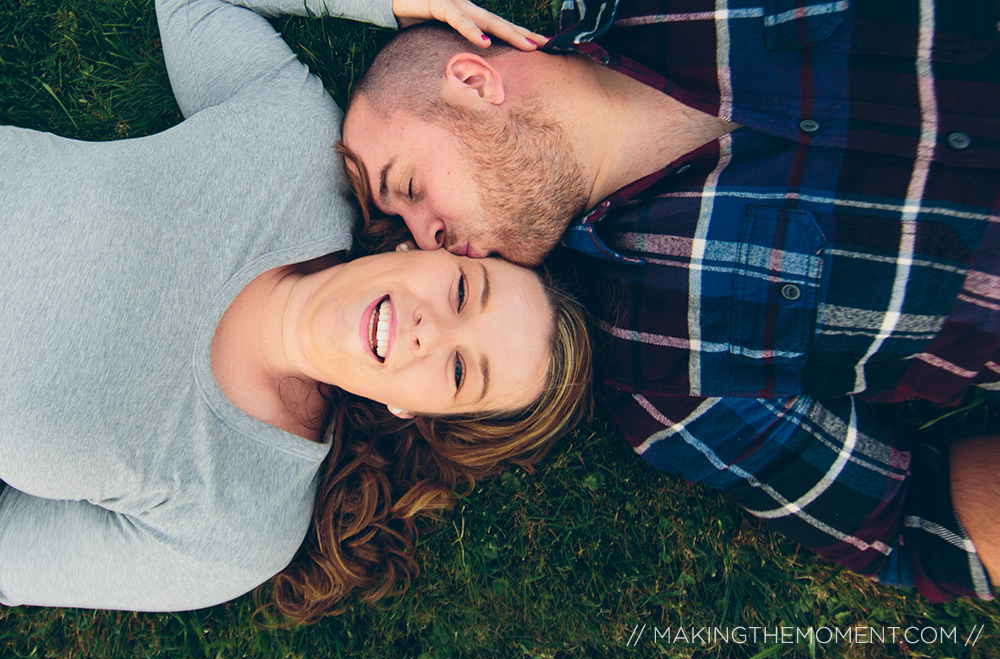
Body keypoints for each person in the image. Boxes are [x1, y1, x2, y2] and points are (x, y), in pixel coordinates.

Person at [337, 0, 1000, 602]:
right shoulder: (661, 367)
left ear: (476, 84)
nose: (431, 242)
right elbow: (912, 522)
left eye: (410, 187)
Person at [0, 0, 591, 615]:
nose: (430, 328)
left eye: (461, 371)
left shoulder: (238, 530)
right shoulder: (296, 146)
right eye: (464, 292)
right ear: (430, 249)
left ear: (415, 409)